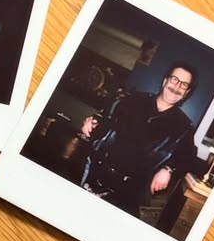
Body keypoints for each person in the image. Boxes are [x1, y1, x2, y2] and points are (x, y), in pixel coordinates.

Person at [79, 62, 199, 217]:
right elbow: (106, 120)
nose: (177, 87)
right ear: (165, 81)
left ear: (186, 92)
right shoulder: (133, 100)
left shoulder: (184, 127)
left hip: (128, 194)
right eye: (174, 79)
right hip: (96, 174)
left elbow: (188, 158)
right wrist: (92, 122)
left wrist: (169, 169)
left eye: (184, 84)